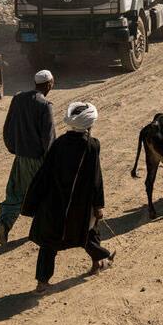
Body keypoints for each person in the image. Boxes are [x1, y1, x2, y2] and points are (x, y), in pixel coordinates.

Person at [22, 102, 113, 295]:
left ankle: (42, 283)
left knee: (49, 243)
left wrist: (33, 203)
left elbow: (44, 174)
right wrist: (98, 205)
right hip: (79, 206)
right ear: (89, 125)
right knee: (87, 232)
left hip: (53, 204)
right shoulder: (92, 145)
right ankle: (98, 263)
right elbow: (96, 179)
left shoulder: (59, 143)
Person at [0, 69, 56, 246]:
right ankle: (43, 229)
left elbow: (7, 127)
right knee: (46, 195)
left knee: (15, 193)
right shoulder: (45, 106)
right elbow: (49, 138)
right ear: (49, 85)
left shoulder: (18, 99)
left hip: (21, 157)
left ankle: (4, 224)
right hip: (38, 160)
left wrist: (13, 148)